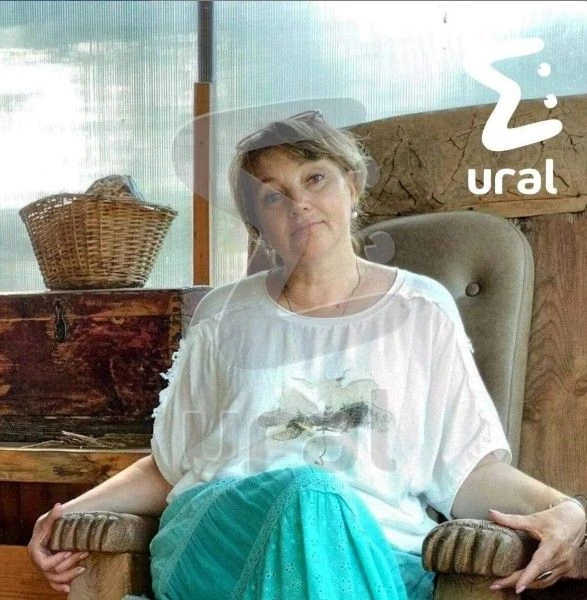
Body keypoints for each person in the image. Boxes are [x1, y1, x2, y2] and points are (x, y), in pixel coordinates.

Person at [28, 110, 585, 599]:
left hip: (377, 557)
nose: (299, 205)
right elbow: (171, 466)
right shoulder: (223, 315)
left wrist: (567, 508)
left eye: (314, 178)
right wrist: (64, 514)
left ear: (352, 185)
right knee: (308, 493)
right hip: (219, 545)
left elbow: (467, 471)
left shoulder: (421, 310)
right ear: (258, 222)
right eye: (273, 195)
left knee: (319, 507)